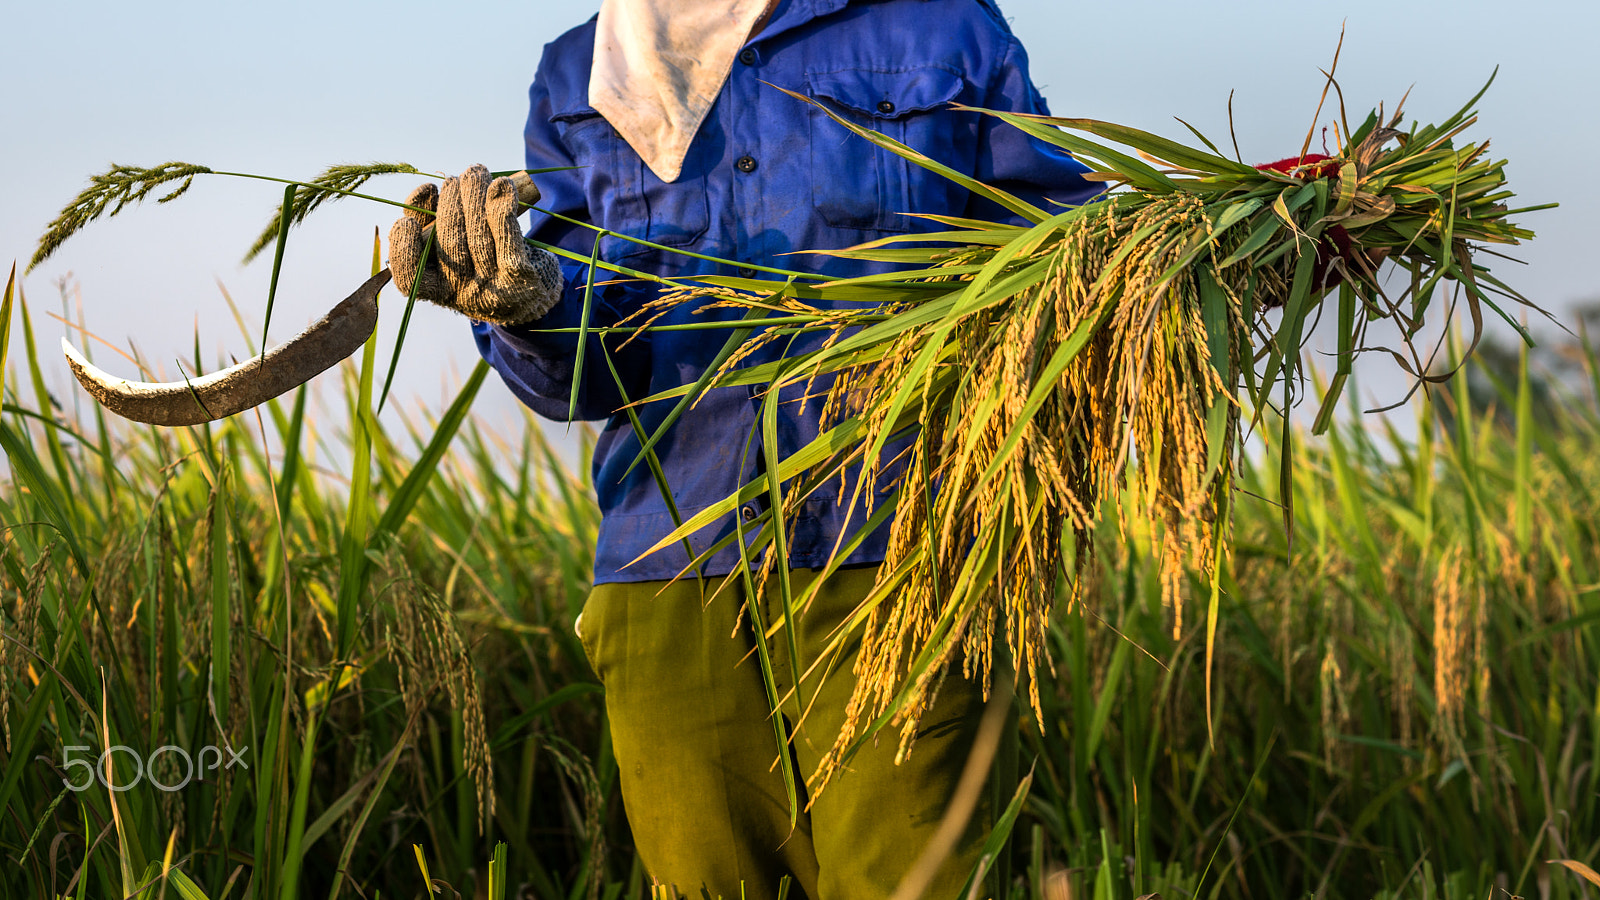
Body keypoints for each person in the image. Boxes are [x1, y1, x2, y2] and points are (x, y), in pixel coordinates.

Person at [387, 1, 1099, 896]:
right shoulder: (584, 70)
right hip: (670, 574)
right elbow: (584, 378)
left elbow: (1063, 258)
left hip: (892, 559)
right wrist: (525, 307)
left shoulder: (941, 25)